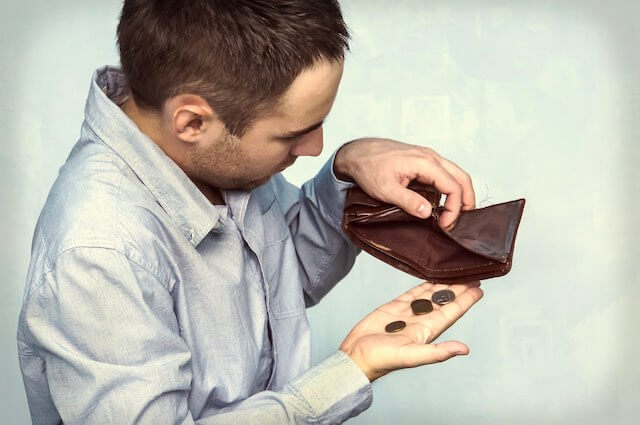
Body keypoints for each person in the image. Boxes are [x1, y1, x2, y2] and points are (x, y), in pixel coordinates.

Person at [17, 1, 483, 424]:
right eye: (293, 134)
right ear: (192, 122)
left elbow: (280, 280)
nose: (313, 148)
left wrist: (347, 171)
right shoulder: (98, 253)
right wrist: (350, 371)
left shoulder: (213, 155)